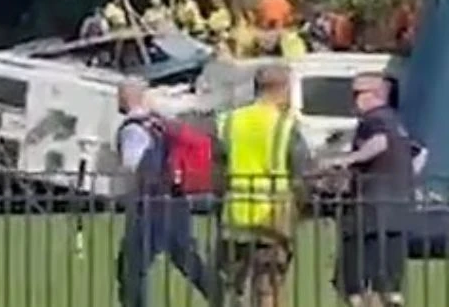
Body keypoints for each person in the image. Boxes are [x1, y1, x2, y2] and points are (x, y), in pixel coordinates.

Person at [320, 74, 427, 307]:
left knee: (357, 280)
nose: (353, 100)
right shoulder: (395, 121)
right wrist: (408, 179)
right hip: (398, 205)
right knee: (387, 282)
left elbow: (379, 143)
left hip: (371, 206)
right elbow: (421, 152)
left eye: (357, 94)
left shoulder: (373, 119)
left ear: (375, 95)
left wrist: (346, 160)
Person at [218, 64, 312, 307]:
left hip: (236, 214)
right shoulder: (285, 125)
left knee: (231, 287)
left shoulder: (230, 121)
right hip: (273, 216)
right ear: (282, 89)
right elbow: (301, 170)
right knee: (268, 287)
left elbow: (218, 165)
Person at [115, 79, 213, 307]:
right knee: (188, 260)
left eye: (119, 95)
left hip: (150, 204)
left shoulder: (132, 128)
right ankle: (224, 299)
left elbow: (132, 165)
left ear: (126, 97)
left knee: (130, 268)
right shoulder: (160, 123)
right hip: (176, 200)